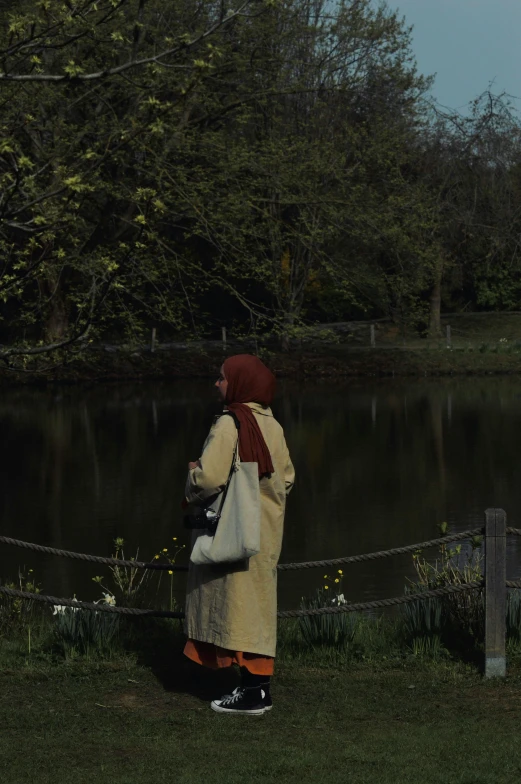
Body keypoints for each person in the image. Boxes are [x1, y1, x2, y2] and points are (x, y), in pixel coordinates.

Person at [183, 354, 295, 715]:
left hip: (233, 531)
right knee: (256, 605)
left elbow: (211, 478)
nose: (217, 384)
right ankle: (257, 688)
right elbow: (288, 478)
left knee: (233, 603)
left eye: (222, 378)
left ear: (239, 383)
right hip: (264, 532)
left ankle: (250, 694)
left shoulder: (230, 424)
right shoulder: (272, 426)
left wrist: (192, 476)